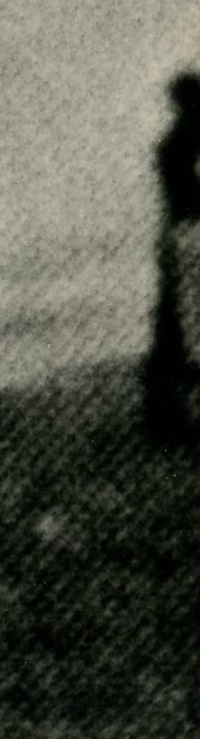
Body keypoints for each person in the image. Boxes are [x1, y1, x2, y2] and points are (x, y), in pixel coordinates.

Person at [141, 72, 199, 454]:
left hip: (179, 235)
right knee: (186, 326)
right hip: (190, 236)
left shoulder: (172, 144)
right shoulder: (185, 144)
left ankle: (165, 413)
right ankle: (171, 415)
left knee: (176, 324)